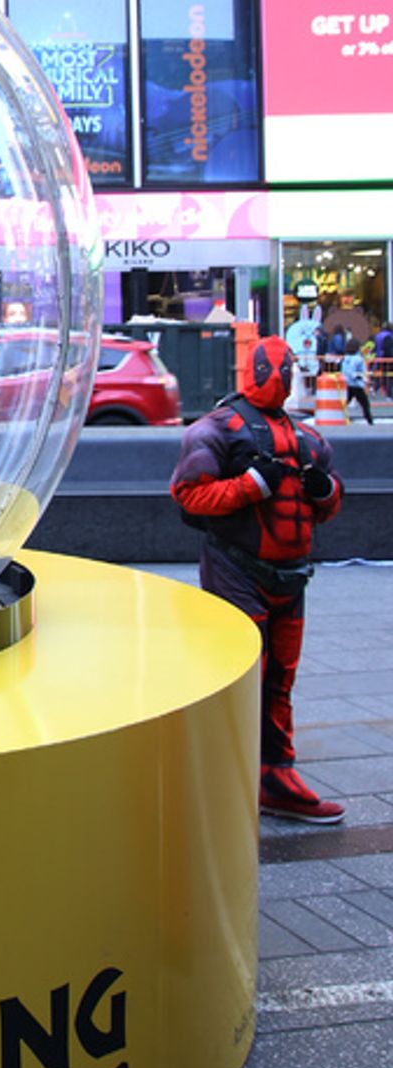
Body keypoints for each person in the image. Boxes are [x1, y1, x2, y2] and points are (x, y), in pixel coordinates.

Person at [170, 336, 345, 825]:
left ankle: (275, 773)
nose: (282, 375)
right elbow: (188, 495)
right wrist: (252, 486)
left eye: (287, 368)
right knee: (241, 678)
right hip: (237, 570)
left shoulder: (308, 439)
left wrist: (323, 489)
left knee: (279, 681)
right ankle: (226, 773)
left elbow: (328, 505)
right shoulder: (218, 429)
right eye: (276, 367)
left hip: (291, 577)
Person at [342, 344, 374, 425]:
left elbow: (345, 371)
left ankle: (338, 416)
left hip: (347, 383)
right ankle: (369, 420)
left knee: (345, 403)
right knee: (365, 404)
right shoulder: (358, 359)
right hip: (357, 384)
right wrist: (363, 378)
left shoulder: (345, 358)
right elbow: (355, 372)